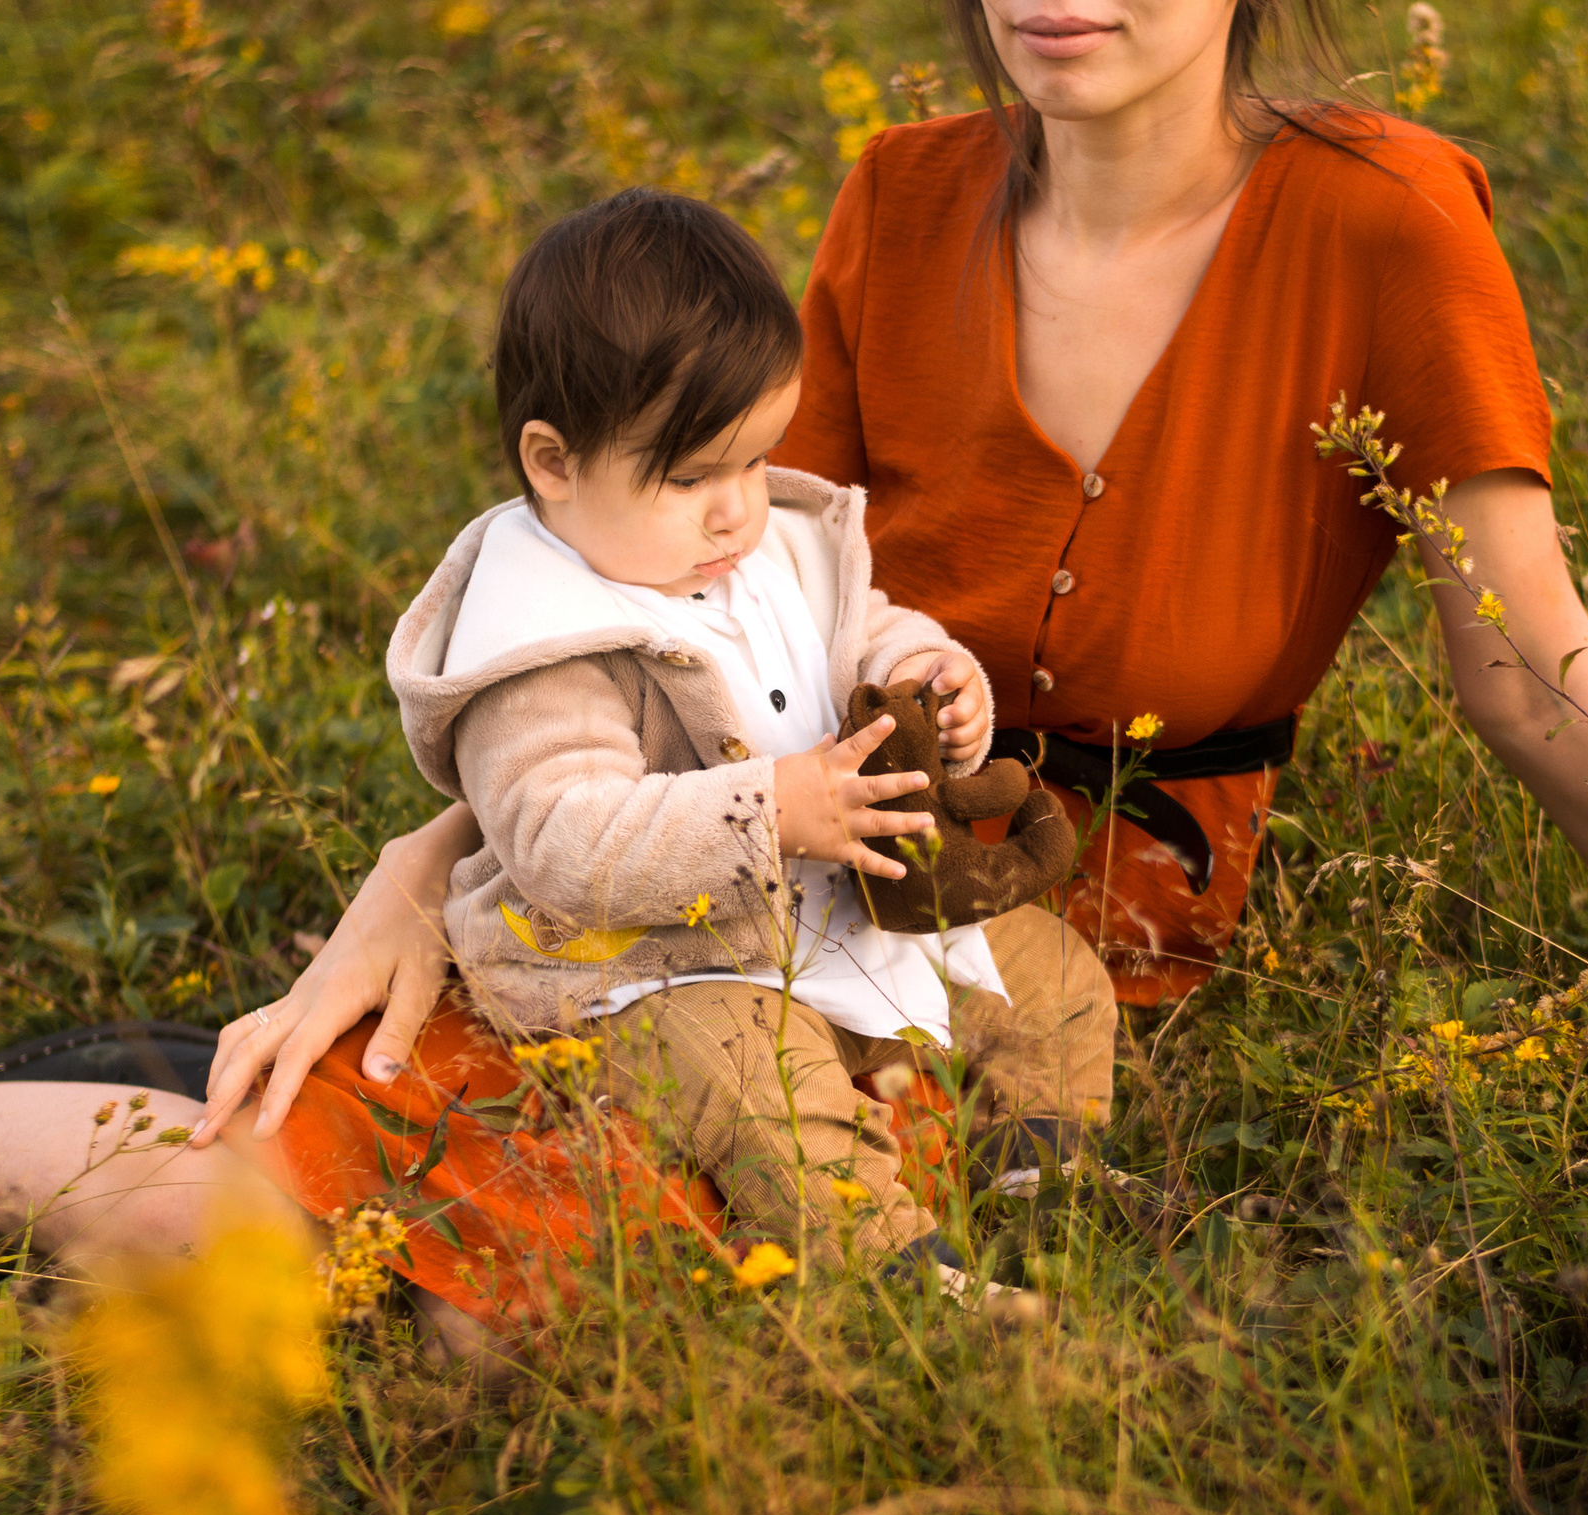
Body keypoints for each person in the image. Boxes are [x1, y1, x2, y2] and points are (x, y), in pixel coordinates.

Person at [0, 0, 1588, 1320]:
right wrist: (427, 863)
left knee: (501, 1305)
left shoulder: (1380, 223)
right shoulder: (906, 200)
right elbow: (726, 622)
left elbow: (1521, 672)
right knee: (262, 1199)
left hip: (1018, 954)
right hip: (721, 876)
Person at [380, 187, 1113, 1308]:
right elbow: (559, 841)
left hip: (839, 914)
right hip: (653, 971)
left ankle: (1044, 1176)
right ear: (552, 461)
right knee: (760, 1083)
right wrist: (768, 809)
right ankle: (905, 1281)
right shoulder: (539, 645)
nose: (738, 511)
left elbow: (858, 628)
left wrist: (932, 676)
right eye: (691, 477)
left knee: (1048, 973)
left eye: (757, 460)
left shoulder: (757, 544)